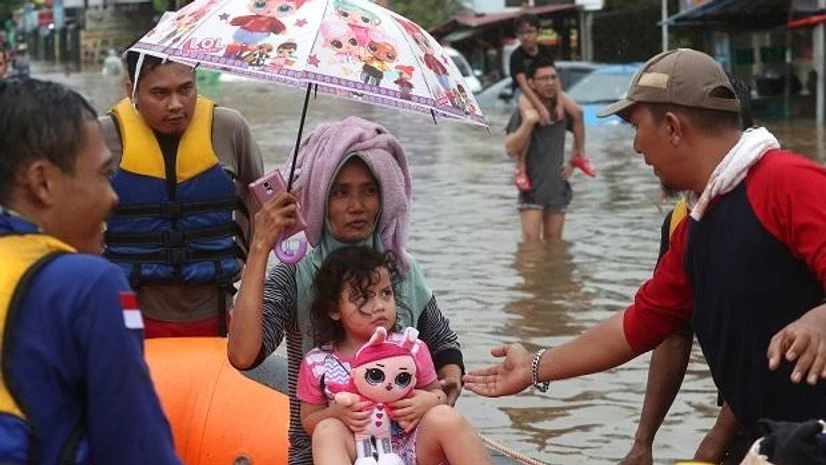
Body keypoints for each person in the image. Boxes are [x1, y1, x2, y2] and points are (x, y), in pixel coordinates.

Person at [465, 48, 826, 457]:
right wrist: (534, 366)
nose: (636, 147)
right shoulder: (695, 226)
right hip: (772, 439)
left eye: (637, 126)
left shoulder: (786, 182)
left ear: (672, 126)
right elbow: (639, 326)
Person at [227, 117, 466, 465]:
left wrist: (444, 389)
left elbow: (444, 345)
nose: (358, 205)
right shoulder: (296, 273)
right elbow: (243, 355)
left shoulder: (400, 268)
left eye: (369, 190)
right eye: (340, 192)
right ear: (320, 197)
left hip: (407, 448)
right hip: (319, 451)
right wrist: (261, 246)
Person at [0, 78, 181, 465]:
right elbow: (138, 452)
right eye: (103, 174)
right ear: (42, 182)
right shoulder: (88, 285)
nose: (113, 196)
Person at [618, 75, 756, 465]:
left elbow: (772, 349)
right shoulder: (682, 222)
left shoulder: (771, 206)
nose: (637, 149)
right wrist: (643, 441)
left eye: (640, 130)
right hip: (744, 408)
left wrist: (717, 437)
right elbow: (666, 329)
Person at [99, 50, 264, 338]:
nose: (175, 104)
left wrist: (242, 255)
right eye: (159, 93)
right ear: (131, 91)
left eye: (185, 89)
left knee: (212, 381)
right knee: (135, 378)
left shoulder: (229, 128)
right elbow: (75, 213)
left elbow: (259, 197)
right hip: (128, 300)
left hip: (214, 300)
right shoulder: (102, 136)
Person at [298, 246, 493, 465]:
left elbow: (437, 393)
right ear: (334, 309)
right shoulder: (318, 363)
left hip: (413, 446)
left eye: (386, 293)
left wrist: (429, 401)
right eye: (364, 297)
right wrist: (335, 413)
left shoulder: (412, 347)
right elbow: (309, 419)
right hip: (360, 451)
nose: (380, 306)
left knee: (445, 417)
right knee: (327, 430)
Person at [506, 57, 586, 242]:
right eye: (543, 79)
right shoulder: (524, 109)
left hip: (556, 186)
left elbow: (578, 126)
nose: (550, 82)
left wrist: (573, 161)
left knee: (555, 247)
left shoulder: (563, 109)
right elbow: (510, 148)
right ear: (532, 83)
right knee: (531, 248)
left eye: (553, 77)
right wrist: (528, 123)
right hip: (532, 187)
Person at [509, 13, 587, 190]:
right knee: (531, 118)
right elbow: (523, 85)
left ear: (538, 32)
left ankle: (579, 155)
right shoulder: (516, 56)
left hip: (549, 92)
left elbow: (554, 77)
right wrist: (540, 107)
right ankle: (521, 167)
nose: (527, 36)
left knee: (578, 112)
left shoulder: (544, 50)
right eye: (522, 33)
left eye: (530, 31)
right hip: (525, 92)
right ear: (517, 35)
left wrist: (559, 103)